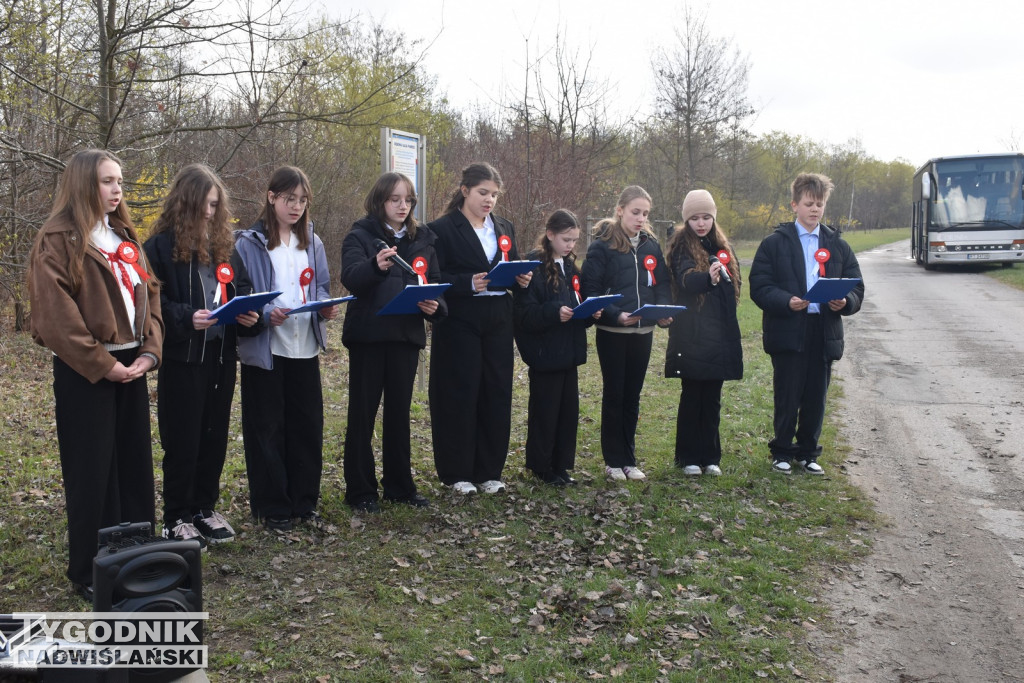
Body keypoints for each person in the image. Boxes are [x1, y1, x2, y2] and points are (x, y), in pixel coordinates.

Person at [27, 149, 163, 600]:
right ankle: (91, 569)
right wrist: (104, 365)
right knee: (93, 471)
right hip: (86, 373)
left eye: (119, 181)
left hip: (132, 366)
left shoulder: (122, 235)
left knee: (133, 466)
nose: (117, 189)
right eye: (108, 181)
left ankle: (135, 556)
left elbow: (150, 295)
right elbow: (55, 318)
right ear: (84, 184)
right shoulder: (58, 240)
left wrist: (149, 352)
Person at [143, 164, 260, 548]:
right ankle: (176, 516)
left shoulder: (225, 246)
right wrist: (186, 318)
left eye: (214, 205)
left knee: (214, 436)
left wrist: (249, 316)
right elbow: (152, 303)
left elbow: (242, 289)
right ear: (185, 203)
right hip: (183, 360)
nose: (210, 213)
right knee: (183, 439)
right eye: (203, 205)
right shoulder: (159, 248)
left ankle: (203, 509)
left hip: (221, 359)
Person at [234, 166, 337, 530]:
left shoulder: (313, 241)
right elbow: (242, 294)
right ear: (271, 197)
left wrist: (324, 306)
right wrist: (265, 313)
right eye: (289, 199)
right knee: (267, 428)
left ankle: (304, 502)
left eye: (302, 200)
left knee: (306, 426)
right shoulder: (248, 243)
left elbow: (320, 285)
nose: (296, 206)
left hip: (304, 345)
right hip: (266, 348)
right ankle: (273, 507)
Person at [340, 172, 446, 512]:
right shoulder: (360, 235)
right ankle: (360, 490)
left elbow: (436, 283)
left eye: (408, 200)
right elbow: (351, 278)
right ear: (380, 201)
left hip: (406, 337)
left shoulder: (424, 238)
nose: (403, 206)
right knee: (363, 414)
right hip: (369, 337)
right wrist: (376, 266)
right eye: (395, 199)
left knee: (399, 414)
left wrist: (436, 307)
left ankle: (400, 487)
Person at [749, 173, 865, 475]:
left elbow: (856, 286)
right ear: (794, 205)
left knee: (816, 395)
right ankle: (782, 452)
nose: (815, 209)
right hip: (788, 329)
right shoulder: (774, 244)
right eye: (809, 203)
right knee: (788, 394)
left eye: (819, 204)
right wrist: (785, 301)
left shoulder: (838, 245)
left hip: (823, 331)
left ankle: (808, 452)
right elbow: (760, 286)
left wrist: (845, 302)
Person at [428, 162, 531, 495]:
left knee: (496, 391)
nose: (489, 200)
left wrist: (522, 278)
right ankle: (457, 472)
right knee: (460, 392)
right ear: (465, 191)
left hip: (499, 317)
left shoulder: (504, 227)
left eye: (495, 195)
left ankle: (489, 471)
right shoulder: (441, 229)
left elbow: (512, 264)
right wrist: (466, 283)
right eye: (483, 193)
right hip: (460, 319)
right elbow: (432, 277)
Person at [581, 185, 673, 482]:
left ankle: (629, 460)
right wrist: (615, 314)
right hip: (612, 332)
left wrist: (662, 311)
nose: (641, 218)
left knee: (632, 396)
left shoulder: (651, 246)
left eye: (645, 213)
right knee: (615, 395)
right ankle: (613, 460)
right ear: (620, 210)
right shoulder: (601, 247)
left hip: (643, 332)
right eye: (635, 212)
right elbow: (591, 290)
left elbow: (661, 284)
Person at [514, 209, 600, 486]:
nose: (570, 245)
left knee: (567, 412)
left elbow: (576, 305)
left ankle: (561, 465)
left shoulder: (570, 266)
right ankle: (541, 466)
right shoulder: (532, 267)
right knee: (546, 412)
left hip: (568, 351)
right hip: (545, 352)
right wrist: (554, 313)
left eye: (574, 240)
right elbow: (524, 314)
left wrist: (590, 313)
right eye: (566, 239)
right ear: (550, 235)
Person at [665, 190, 743, 476]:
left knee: (712, 398)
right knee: (692, 396)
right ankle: (687, 457)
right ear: (687, 220)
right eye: (695, 218)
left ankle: (710, 457)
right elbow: (686, 279)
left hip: (719, 334)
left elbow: (735, 284)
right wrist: (708, 279)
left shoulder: (722, 246)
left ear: (713, 218)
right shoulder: (681, 246)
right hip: (692, 333)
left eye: (706, 217)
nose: (701, 223)